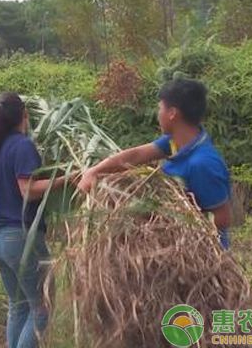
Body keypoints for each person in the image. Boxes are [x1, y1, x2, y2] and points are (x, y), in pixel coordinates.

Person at [78, 77, 232, 249]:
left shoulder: (202, 163)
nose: (158, 114)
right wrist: (95, 171)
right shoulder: (175, 142)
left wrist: (170, 228)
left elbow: (222, 218)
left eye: (160, 108)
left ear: (172, 113)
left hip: (197, 257)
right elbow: (135, 156)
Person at [0, 93, 72, 348]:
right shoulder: (22, 145)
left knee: (18, 308)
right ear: (23, 115)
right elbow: (27, 189)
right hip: (20, 238)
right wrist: (68, 178)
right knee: (42, 307)